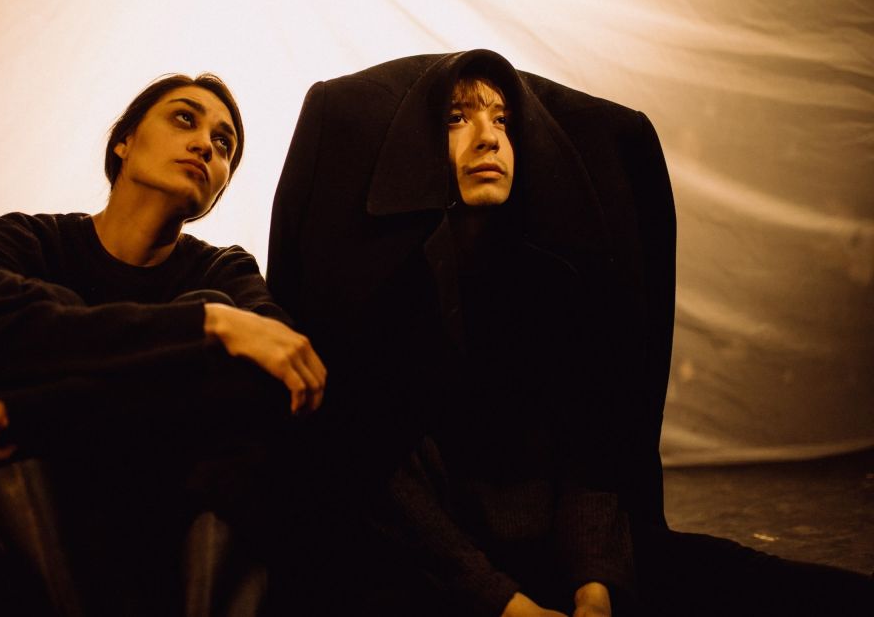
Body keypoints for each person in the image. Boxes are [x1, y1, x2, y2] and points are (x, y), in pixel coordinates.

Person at [266, 49, 873, 616]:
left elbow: (594, 443)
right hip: (433, 580)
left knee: (786, 590)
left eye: (503, 121)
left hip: (562, 557)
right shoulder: (389, 297)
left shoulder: (553, 282)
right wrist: (504, 603)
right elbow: (384, 478)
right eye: (457, 119)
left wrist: (595, 585)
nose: (488, 138)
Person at [0, 73, 326, 617]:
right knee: (6, 468)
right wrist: (205, 326)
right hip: (34, 534)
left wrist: (24, 406)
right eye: (185, 118)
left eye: (224, 143)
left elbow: (279, 386)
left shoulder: (225, 271)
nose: (206, 144)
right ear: (125, 142)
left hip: (167, 533)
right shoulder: (24, 241)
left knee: (251, 465)